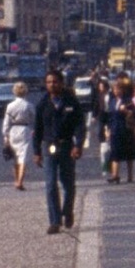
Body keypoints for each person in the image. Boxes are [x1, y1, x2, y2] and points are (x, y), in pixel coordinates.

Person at [31, 71, 87, 233]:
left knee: (68, 184)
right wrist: (36, 152)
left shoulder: (71, 102)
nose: (52, 85)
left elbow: (80, 126)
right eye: (49, 82)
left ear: (61, 83)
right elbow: (38, 129)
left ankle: (67, 211)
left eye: (55, 82)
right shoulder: (42, 104)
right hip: (49, 146)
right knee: (50, 184)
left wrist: (78, 145)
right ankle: (55, 221)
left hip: (67, 146)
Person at [2, 84, 36, 189]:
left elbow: (6, 122)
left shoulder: (10, 106)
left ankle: (16, 180)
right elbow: (34, 119)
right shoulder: (28, 105)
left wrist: (6, 136)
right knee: (23, 157)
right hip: (24, 130)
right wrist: (34, 129)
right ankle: (20, 182)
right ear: (25, 92)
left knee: (15, 158)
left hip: (13, 131)